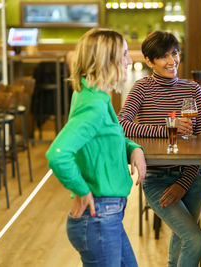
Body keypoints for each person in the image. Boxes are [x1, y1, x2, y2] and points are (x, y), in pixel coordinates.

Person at [46, 28, 147, 266]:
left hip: (106, 215)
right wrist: (81, 189)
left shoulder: (95, 97)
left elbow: (105, 138)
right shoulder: (94, 105)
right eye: (123, 54)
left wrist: (133, 148)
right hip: (99, 216)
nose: (129, 60)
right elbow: (58, 154)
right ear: (106, 61)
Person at [118, 31, 201, 267]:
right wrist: (169, 127)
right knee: (194, 239)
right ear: (149, 61)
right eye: (163, 57)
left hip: (193, 178)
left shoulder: (192, 89)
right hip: (157, 178)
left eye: (175, 53)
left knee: (182, 239)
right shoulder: (142, 88)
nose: (172, 61)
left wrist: (184, 182)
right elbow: (122, 124)